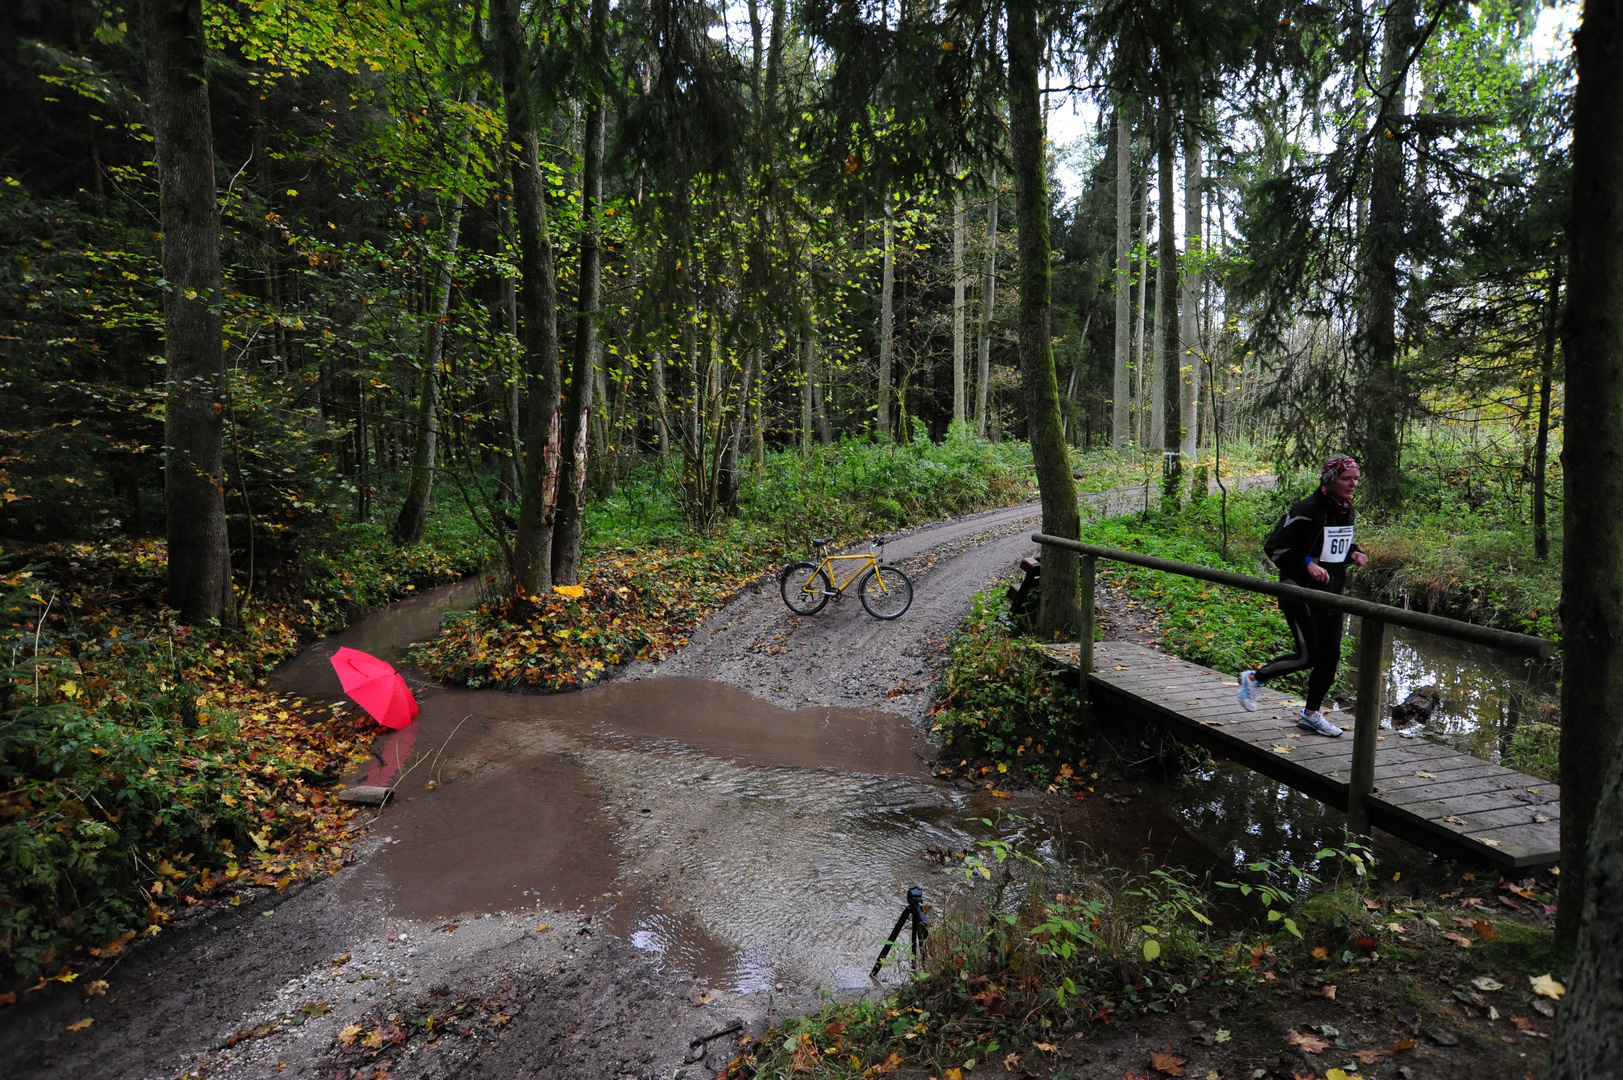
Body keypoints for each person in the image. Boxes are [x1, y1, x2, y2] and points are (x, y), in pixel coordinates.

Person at [1236, 455, 1369, 736]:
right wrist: (1306, 563)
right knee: (1309, 656)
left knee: (1330, 658)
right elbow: (1275, 547)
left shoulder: (1346, 508)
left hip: (1331, 595)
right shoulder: (1307, 508)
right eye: (1347, 478)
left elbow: (1333, 545)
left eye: (1356, 478)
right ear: (1330, 480)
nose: (1353, 484)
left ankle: (1310, 714)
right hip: (1299, 592)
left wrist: (1352, 552)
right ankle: (1254, 678)